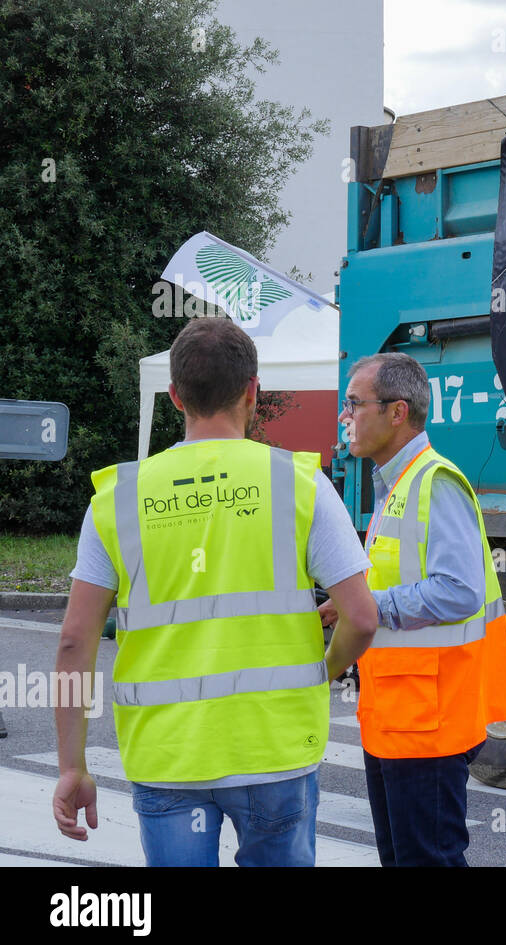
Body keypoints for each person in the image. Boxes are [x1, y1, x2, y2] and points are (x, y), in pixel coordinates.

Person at [53, 316, 378, 866]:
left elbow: (73, 644)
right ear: (253, 391)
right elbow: (363, 618)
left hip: (168, 756)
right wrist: (319, 673)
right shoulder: (300, 484)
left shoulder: (117, 499)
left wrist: (71, 767)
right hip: (273, 750)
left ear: (176, 396)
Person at [323, 351, 506, 866]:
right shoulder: (398, 484)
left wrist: (368, 604)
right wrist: (345, 607)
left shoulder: (434, 481)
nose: (346, 417)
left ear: (397, 411)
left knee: (427, 859)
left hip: (429, 720)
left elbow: (460, 591)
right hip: (398, 713)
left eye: (355, 404)